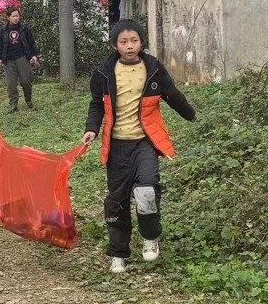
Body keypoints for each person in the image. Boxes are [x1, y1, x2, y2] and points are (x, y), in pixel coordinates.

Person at [81, 19, 196, 275]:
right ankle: (118, 254)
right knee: (117, 201)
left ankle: (150, 236)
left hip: (145, 143)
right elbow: (97, 104)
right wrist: (91, 128)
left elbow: (172, 95)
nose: (129, 46)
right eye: (123, 42)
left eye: (134, 41)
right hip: (116, 146)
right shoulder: (103, 72)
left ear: (141, 42)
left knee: (147, 191)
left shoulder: (153, 68)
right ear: (115, 45)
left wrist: (191, 115)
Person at [0, 8, 39, 113]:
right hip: (8, 59)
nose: (15, 18)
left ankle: (28, 100)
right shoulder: (3, 30)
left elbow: (31, 42)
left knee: (26, 81)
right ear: (8, 17)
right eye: (13, 16)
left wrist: (34, 55)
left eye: (17, 16)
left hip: (22, 57)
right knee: (11, 84)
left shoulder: (24, 28)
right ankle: (13, 105)